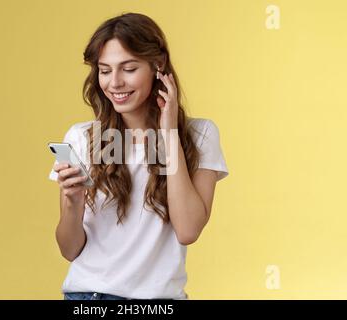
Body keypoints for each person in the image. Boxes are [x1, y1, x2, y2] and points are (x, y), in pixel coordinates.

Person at [48, 12, 229, 300]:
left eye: (128, 69)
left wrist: (168, 134)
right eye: (105, 71)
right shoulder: (82, 137)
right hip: (88, 297)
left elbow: (188, 230)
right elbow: (69, 249)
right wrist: (73, 202)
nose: (115, 83)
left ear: (158, 66)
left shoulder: (200, 134)